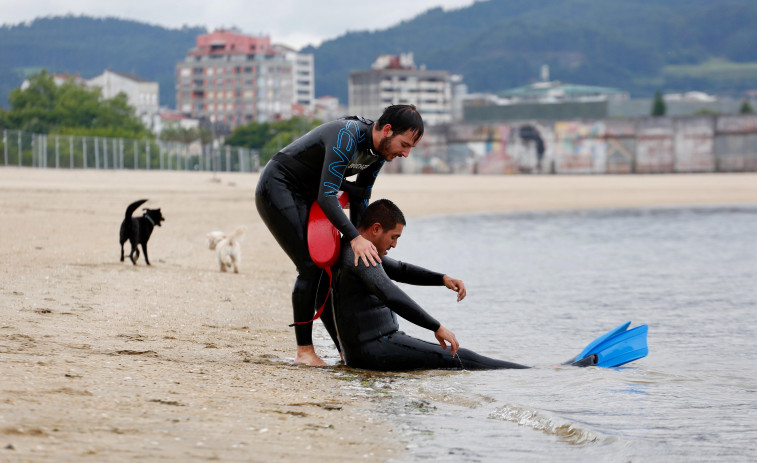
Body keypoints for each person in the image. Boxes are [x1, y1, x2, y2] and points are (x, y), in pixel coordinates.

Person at [255, 105, 424, 366]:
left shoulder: (379, 153)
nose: (405, 153)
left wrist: (364, 243)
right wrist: (354, 239)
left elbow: (360, 199)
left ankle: (343, 349)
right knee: (311, 266)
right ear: (387, 130)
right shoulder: (347, 134)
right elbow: (327, 195)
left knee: (333, 268)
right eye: (404, 144)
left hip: (311, 194)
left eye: (410, 148)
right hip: (279, 185)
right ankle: (304, 352)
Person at [329, 199, 530, 371]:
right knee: (460, 357)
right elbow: (390, 295)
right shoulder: (361, 257)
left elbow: (401, 269)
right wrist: (436, 326)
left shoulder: (354, 249)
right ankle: (529, 372)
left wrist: (442, 279)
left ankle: (527, 371)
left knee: (453, 357)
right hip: (374, 350)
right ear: (376, 229)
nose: (394, 245)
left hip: (375, 346)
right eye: (394, 237)